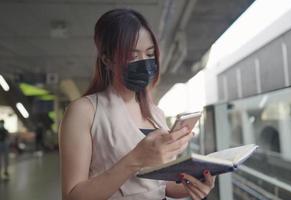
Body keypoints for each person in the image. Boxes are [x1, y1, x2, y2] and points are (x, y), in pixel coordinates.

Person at [59, 8, 216, 200]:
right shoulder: (84, 111)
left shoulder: (156, 114)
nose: (144, 63)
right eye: (132, 56)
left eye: (150, 55)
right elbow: (72, 196)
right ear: (107, 59)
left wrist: (194, 185)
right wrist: (134, 160)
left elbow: (161, 186)